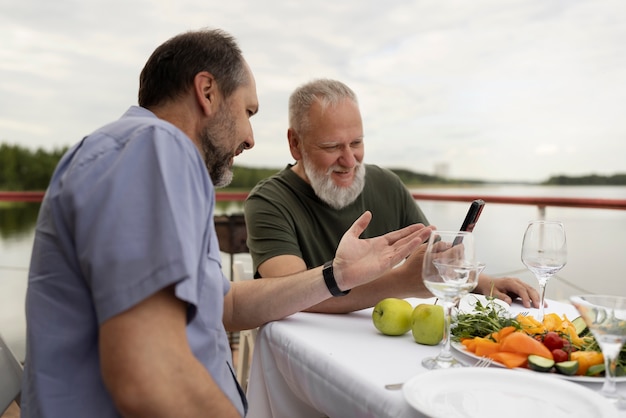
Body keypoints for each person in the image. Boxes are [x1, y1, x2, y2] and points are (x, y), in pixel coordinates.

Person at [21, 30, 433, 418]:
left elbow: (227, 306)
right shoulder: (154, 146)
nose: (251, 137)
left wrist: (337, 274)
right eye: (247, 111)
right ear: (207, 92)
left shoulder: (141, 155)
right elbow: (150, 375)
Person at [244, 78, 541, 314]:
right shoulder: (269, 201)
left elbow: (431, 260)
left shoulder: (386, 183)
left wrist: (483, 283)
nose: (349, 160)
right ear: (295, 144)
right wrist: (402, 282)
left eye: (357, 143)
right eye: (332, 147)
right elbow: (285, 296)